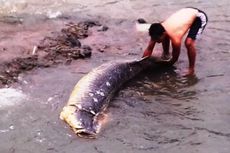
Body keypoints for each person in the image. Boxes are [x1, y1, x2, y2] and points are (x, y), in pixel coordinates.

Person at [142, 7, 208, 76]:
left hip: (198, 17)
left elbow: (174, 59)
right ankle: (166, 53)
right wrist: (142, 62)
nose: (156, 41)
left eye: (157, 39)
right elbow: (149, 49)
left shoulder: (176, 40)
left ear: (163, 34)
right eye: (154, 39)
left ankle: (191, 69)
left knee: (188, 43)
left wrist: (163, 64)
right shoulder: (157, 30)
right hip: (186, 13)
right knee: (166, 36)